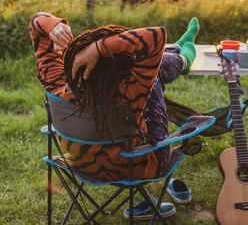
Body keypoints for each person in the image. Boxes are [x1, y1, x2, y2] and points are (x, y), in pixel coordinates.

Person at [30, 12, 200, 182]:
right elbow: (156, 36)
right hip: (139, 167)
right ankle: (184, 57)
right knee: (153, 77)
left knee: (154, 69)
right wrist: (98, 48)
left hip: (82, 166)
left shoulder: (55, 83)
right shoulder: (130, 91)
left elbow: (36, 22)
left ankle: (179, 51)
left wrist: (54, 25)